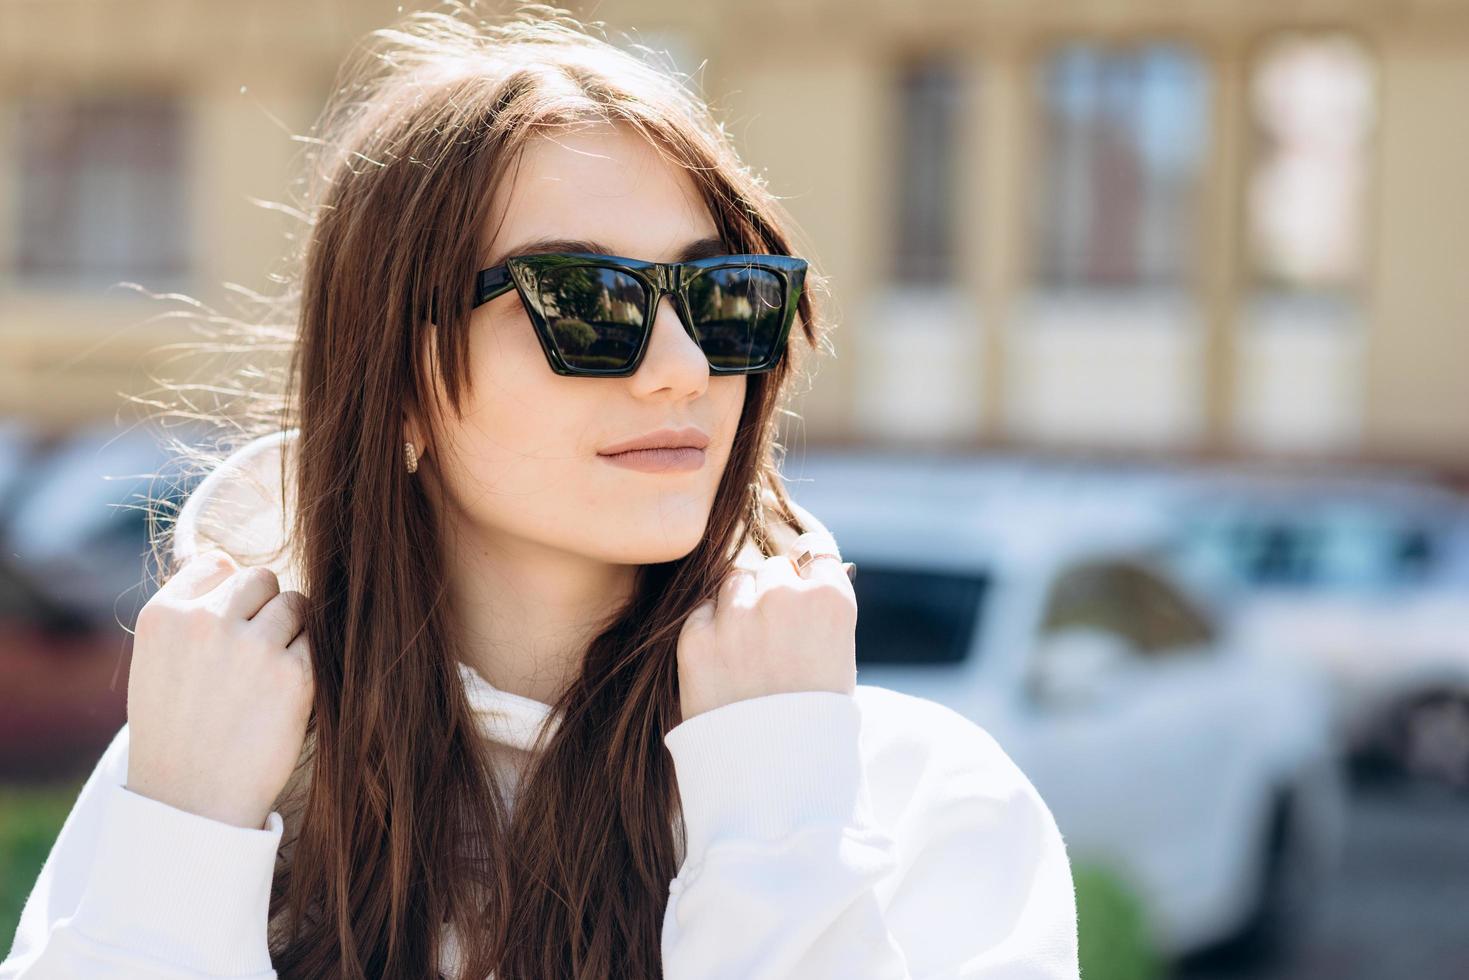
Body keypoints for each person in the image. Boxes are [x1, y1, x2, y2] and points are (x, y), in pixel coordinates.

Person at [1, 3, 1080, 978]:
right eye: (587, 302)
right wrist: (187, 833)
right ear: (404, 381)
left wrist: (773, 808)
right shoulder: (213, 767)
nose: (685, 367)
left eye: (722, 297)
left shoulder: (910, 795)